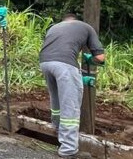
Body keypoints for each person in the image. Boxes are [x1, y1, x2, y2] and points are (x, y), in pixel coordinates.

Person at [39, 13, 105, 159]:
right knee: (71, 105)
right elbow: (100, 58)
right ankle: (68, 150)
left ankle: (56, 128)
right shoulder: (86, 27)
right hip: (65, 64)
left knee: (56, 98)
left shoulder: (55, 27)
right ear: (76, 20)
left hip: (45, 63)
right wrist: (90, 59)